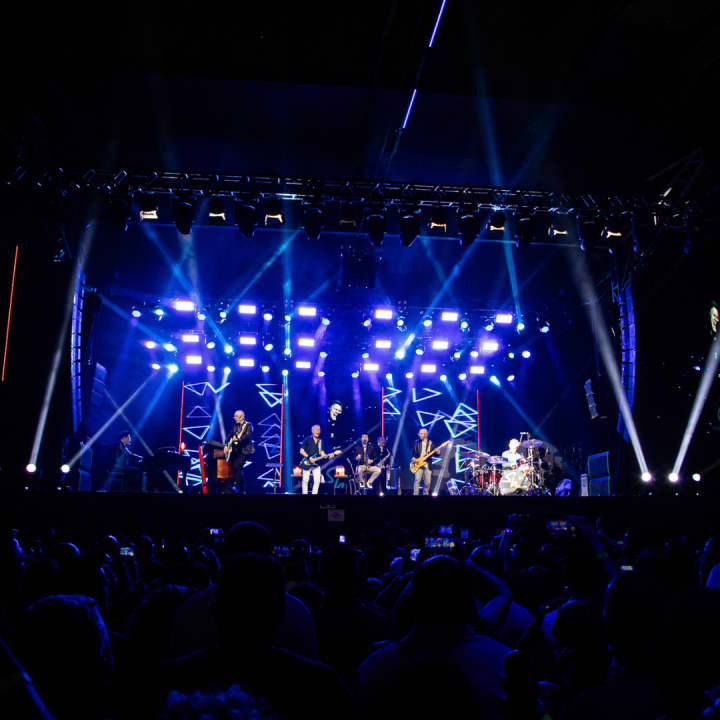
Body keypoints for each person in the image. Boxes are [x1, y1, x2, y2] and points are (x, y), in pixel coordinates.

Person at [224, 410, 253, 493]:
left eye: (236, 416)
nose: (234, 418)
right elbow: (229, 435)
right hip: (235, 450)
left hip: (244, 450)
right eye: (234, 416)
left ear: (242, 417)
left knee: (238, 467)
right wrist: (226, 445)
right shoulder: (235, 426)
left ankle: (235, 485)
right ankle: (242, 489)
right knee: (235, 468)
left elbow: (247, 436)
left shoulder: (248, 425)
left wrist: (238, 439)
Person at [300, 425, 328, 495]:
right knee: (305, 480)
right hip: (307, 462)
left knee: (317, 481)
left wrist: (328, 456)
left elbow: (322, 453)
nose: (317, 431)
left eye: (319, 429)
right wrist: (309, 457)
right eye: (316, 429)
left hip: (317, 464)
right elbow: (301, 451)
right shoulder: (307, 440)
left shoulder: (321, 441)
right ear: (312, 431)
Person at [412, 428, 434, 495]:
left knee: (427, 482)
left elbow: (434, 453)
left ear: (425, 434)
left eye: (421, 433)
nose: (419, 435)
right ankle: (415, 494)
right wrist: (414, 459)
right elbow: (413, 453)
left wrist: (438, 452)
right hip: (419, 464)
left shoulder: (430, 443)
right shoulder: (416, 442)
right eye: (419, 433)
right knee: (417, 480)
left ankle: (425, 494)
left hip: (427, 464)